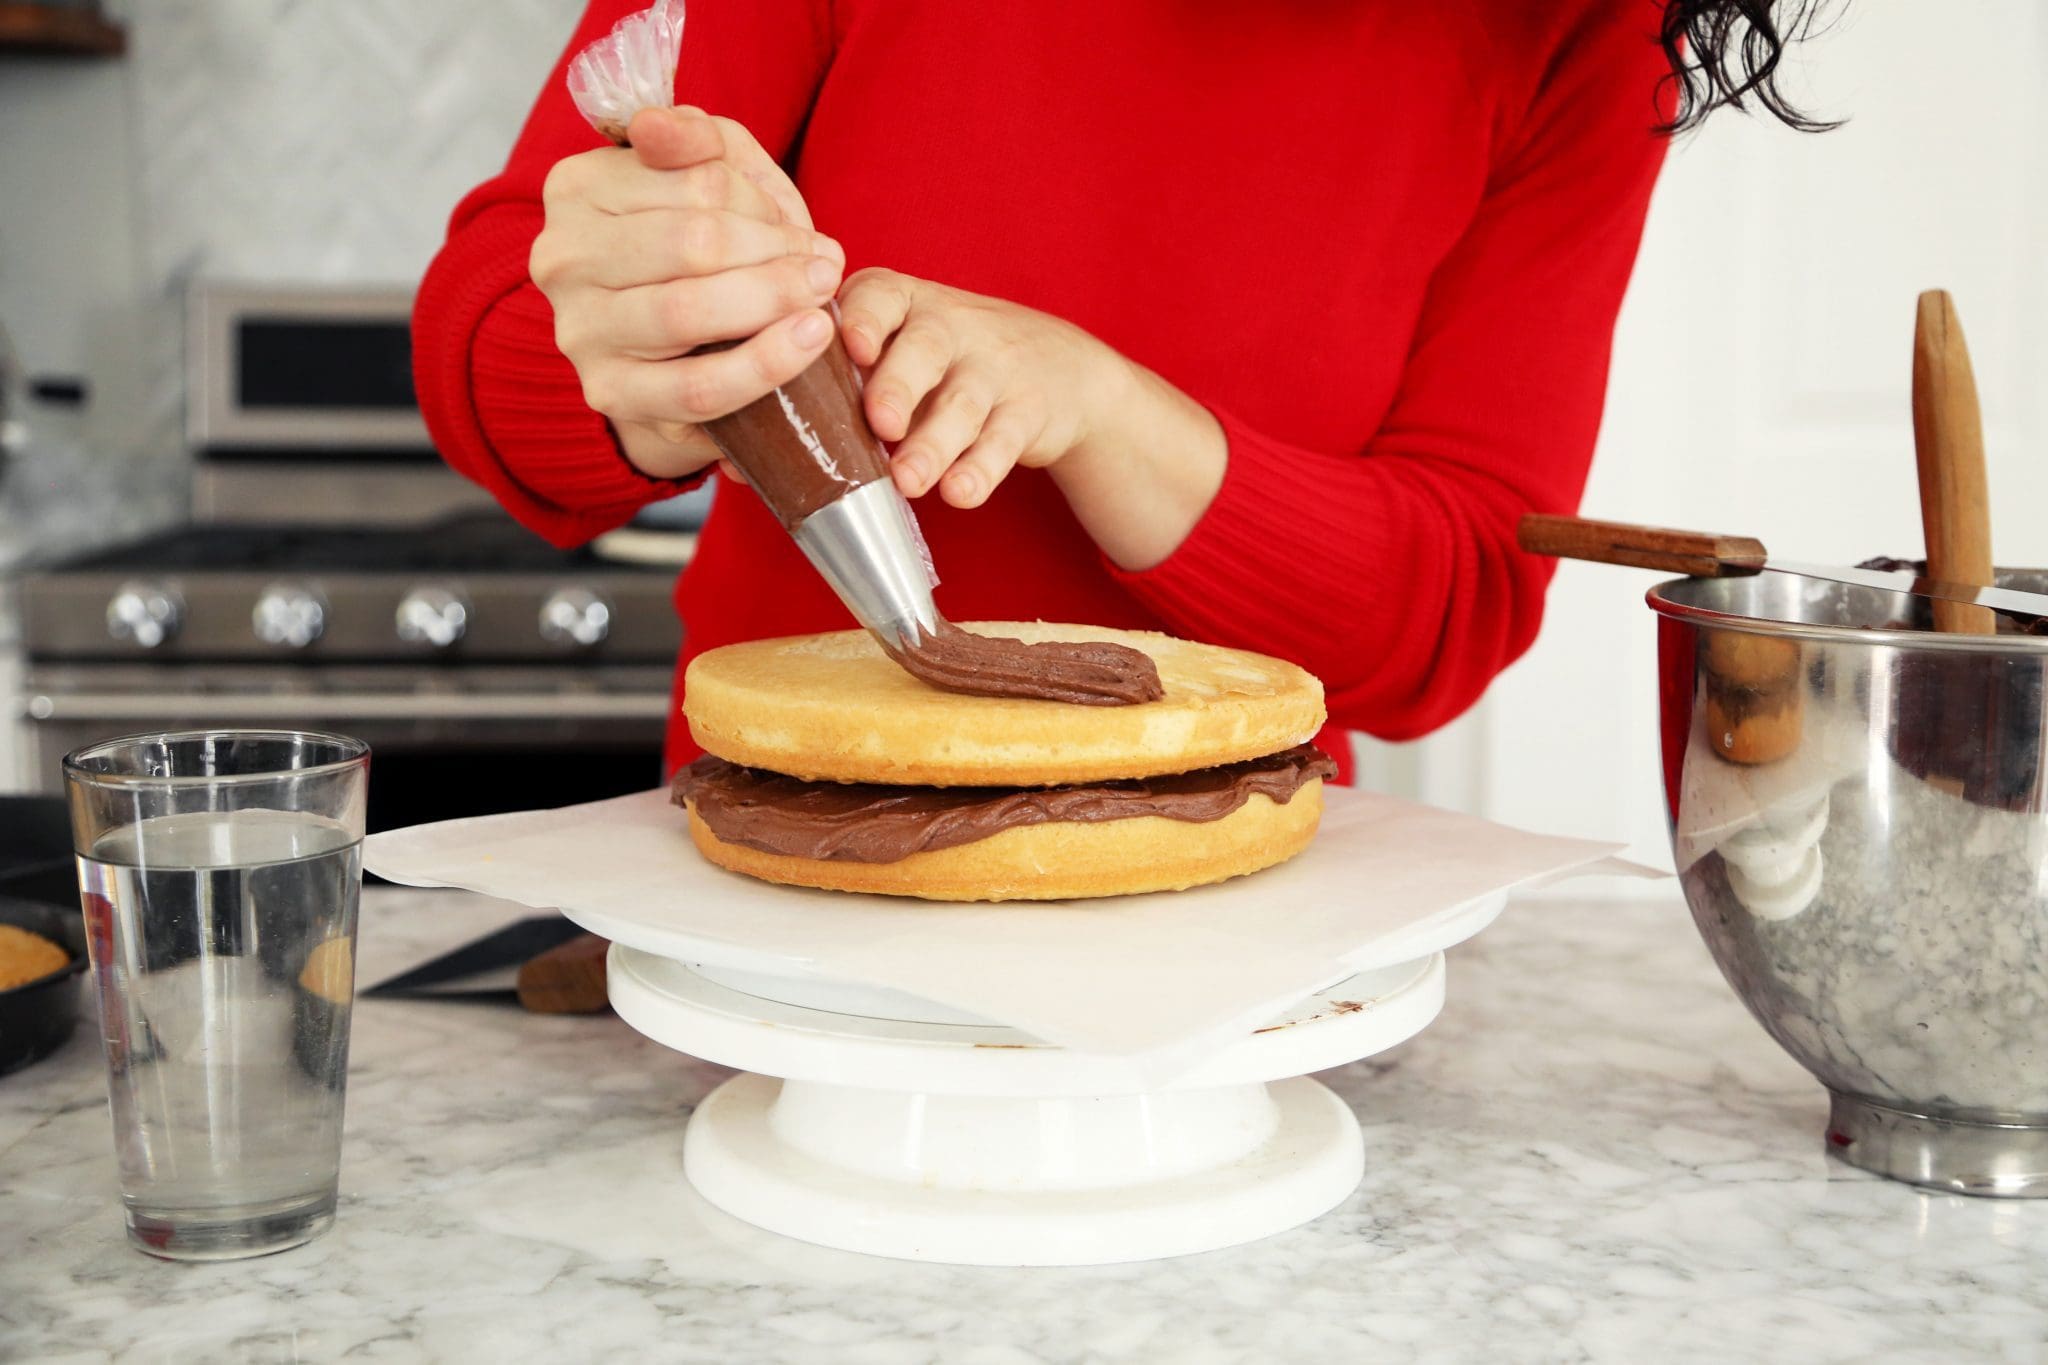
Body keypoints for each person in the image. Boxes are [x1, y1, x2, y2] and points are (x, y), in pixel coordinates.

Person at [413, 0, 1832, 781]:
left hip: (1244, 968)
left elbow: (1457, 593)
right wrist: (635, 361)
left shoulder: (1585, 31)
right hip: (773, 901)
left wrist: (1105, 415)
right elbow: (483, 335)